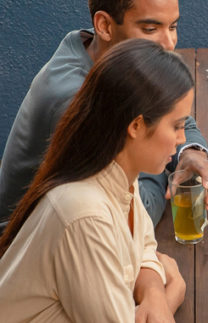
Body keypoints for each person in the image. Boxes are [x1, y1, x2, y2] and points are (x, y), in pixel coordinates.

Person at [0, 38, 190, 322]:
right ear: (136, 125)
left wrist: (153, 293)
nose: (183, 138)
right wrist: (173, 294)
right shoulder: (85, 214)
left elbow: (144, 247)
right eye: (176, 125)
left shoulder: (121, 174)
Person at [0, 0, 208, 231]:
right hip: (23, 247)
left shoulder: (104, 55)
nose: (169, 44)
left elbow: (171, 115)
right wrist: (157, 162)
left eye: (172, 27)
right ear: (104, 26)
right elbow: (136, 214)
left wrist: (190, 152)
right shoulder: (77, 101)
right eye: (150, 29)